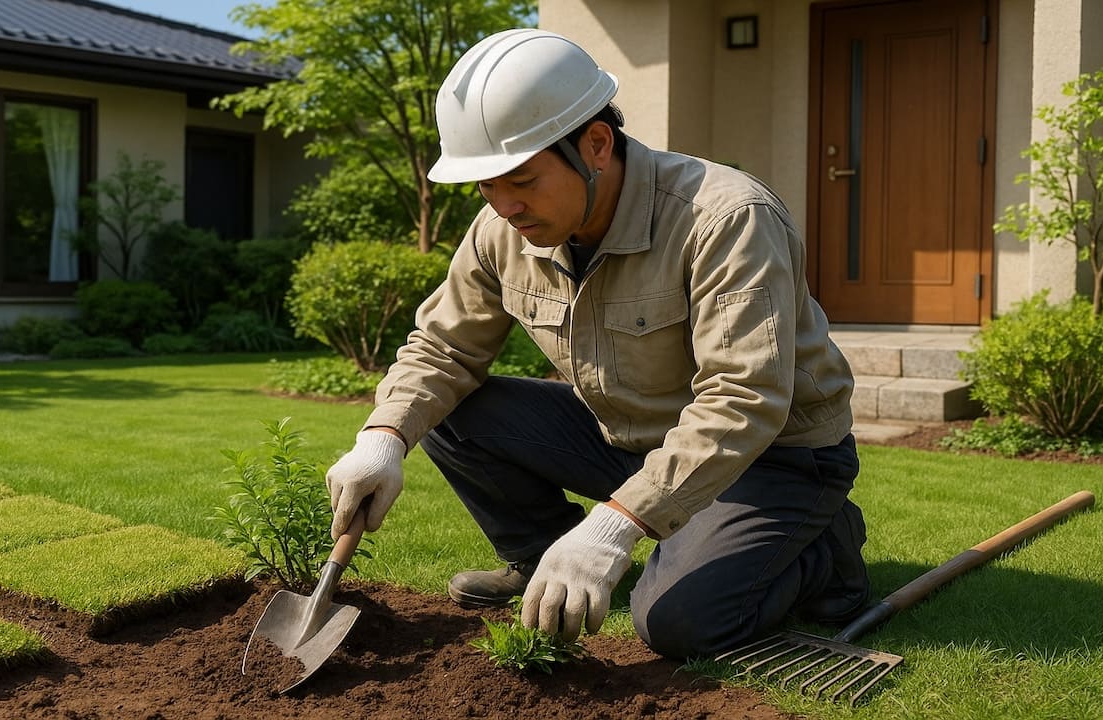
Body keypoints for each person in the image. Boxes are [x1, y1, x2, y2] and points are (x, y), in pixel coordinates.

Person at [324, 28, 869, 659]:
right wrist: (382, 439)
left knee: (678, 624)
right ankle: (543, 561)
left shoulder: (725, 217)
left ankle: (825, 550)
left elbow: (744, 397)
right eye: (486, 186)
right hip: (630, 438)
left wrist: (615, 524)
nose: (504, 206)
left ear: (597, 145)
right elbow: (444, 348)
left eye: (520, 179)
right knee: (449, 412)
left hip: (773, 457)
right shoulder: (502, 226)